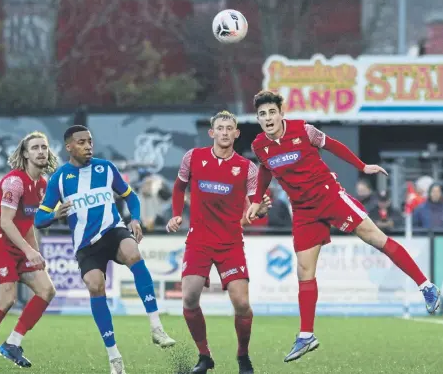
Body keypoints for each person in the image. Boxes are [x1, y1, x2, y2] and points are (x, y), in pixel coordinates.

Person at [246, 91, 441, 363]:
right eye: (262, 114)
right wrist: (256, 200)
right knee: (304, 270)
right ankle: (306, 335)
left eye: (271, 112)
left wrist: (362, 166)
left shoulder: (304, 130)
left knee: (376, 238)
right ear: (258, 118)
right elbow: (266, 170)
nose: (267, 118)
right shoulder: (259, 146)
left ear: (281, 112)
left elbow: (333, 146)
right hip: (302, 210)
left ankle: (426, 286)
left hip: (328, 195)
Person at [34, 125, 175, 374]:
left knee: (133, 252)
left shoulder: (106, 168)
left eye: (90, 141)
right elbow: (39, 218)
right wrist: (55, 214)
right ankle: (114, 358)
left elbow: (130, 195)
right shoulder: (59, 178)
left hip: (113, 230)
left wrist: (135, 218)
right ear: (69, 147)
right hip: (86, 245)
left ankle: (156, 327)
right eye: (81, 142)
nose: (88, 146)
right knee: (95, 286)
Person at [166, 111, 270, 374]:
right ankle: (205, 356)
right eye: (220, 128)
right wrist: (177, 213)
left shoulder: (248, 168)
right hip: (198, 240)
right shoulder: (193, 157)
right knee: (189, 298)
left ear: (236, 134)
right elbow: (179, 187)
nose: (224, 132)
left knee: (242, 304)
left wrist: (261, 209)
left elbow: (253, 206)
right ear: (211, 133)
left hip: (230, 243)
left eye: (229, 128)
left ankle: (243, 356)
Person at [0, 132, 58, 369]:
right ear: (25, 154)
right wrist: (29, 251)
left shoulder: (43, 185)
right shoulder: (14, 182)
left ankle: (13, 343)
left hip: (20, 245)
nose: (41, 151)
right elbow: (6, 222)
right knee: (7, 299)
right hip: (0, 243)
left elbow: (28, 223)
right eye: (35, 147)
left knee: (47, 290)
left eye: (44, 147)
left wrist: (35, 252)